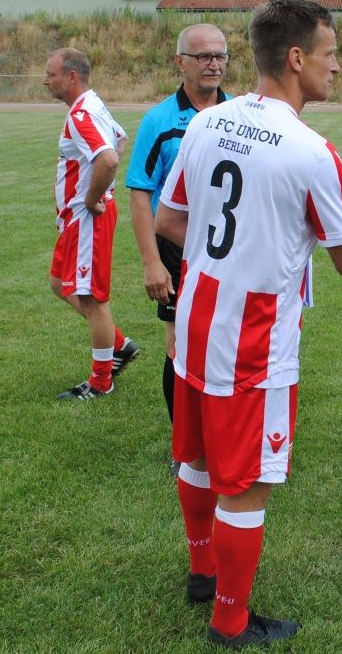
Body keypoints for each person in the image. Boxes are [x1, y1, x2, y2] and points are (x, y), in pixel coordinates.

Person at [154, 0, 342, 648]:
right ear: (297, 58)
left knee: (196, 455)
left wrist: (228, 254)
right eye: (331, 54)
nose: (338, 67)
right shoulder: (311, 152)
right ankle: (229, 622)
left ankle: (201, 572)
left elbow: (168, 219)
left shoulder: (207, 122)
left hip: (195, 319)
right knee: (246, 485)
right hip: (253, 338)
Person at [125, 24, 230, 465]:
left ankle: (223, 434)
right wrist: (151, 262)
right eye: (203, 56)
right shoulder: (159, 121)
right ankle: (185, 445)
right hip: (176, 249)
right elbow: (139, 194)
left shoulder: (239, 116)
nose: (213, 64)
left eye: (220, 56)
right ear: (180, 62)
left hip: (226, 250)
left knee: (224, 343)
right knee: (179, 346)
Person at [43, 47, 139, 401]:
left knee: (90, 297)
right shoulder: (92, 104)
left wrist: (91, 197)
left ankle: (101, 380)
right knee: (60, 284)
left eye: (51, 74)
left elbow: (109, 159)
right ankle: (119, 344)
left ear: (71, 76)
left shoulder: (82, 113)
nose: (45, 80)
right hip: (76, 221)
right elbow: (120, 138)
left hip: (87, 219)